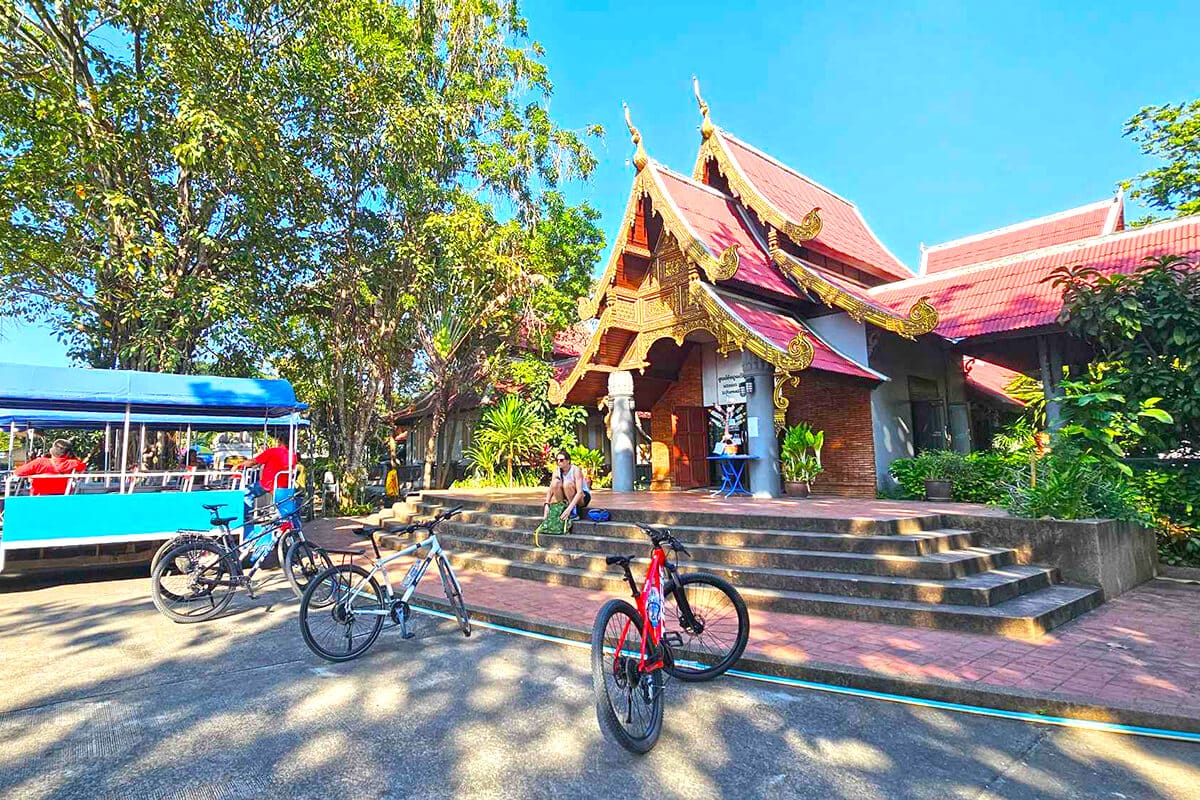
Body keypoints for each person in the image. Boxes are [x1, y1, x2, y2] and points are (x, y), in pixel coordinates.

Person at [534, 449, 590, 546]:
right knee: (555, 483)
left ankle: (573, 512)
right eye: (557, 460)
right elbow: (551, 489)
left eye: (561, 460)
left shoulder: (575, 470)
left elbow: (580, 492)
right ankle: (562, 507)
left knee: (567, 484)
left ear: (568, 461)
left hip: (581, 497)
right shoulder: (557, 471)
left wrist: (569, 509)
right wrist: (547, 504)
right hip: (567, 495)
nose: (559, 462)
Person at [14, 439, 87, 496]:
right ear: (68, 453)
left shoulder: (39, 462)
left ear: (52, 451)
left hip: (38, 497)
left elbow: (18, 472)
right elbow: (83, 466)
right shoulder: (73, 463)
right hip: (63, 496)